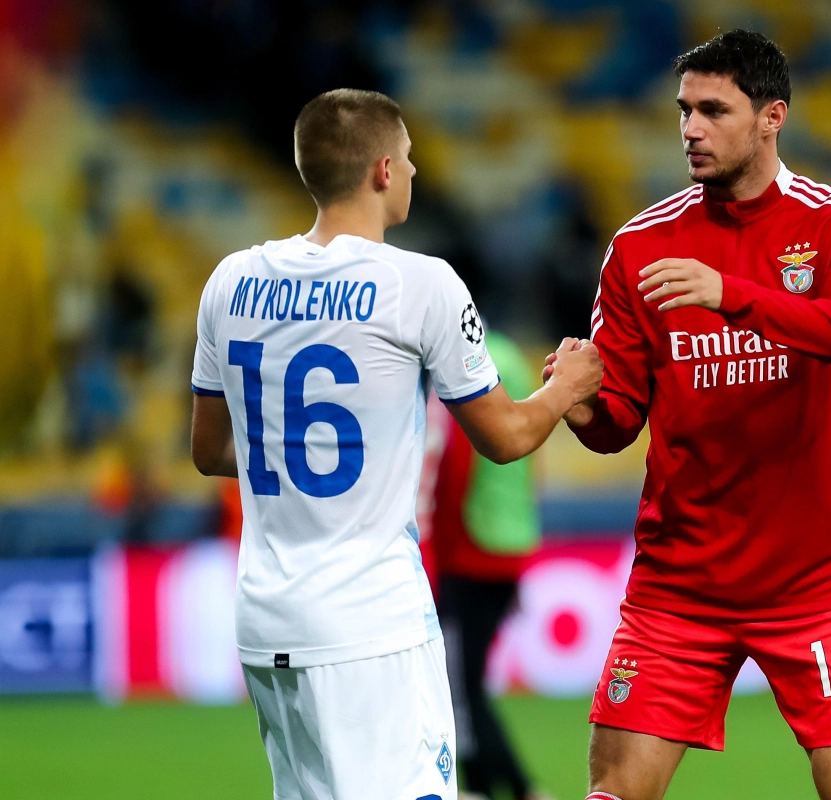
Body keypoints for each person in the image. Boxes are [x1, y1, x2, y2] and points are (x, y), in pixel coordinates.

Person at [189, 88, 602, 800]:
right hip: (369, 626)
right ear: (383, 170)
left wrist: (306, 459)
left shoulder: (230, 282)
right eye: (409, 159)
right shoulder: (421, 284)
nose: (413, 173)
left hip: (265, 619)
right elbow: (505, 437)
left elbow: (209, 450)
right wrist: (567, 384)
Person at [543, 30, 831, 800]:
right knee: (613, 792)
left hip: (811, 580)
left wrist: (730, 294)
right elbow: (618, 423)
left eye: (713, 110)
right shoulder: (639, 245)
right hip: (679, 583)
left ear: (773, 117)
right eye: (683, 110)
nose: (691, 129)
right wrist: (577, 399)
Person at [431, 328, 552, 800]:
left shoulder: (461, 363)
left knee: (457, 686)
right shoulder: (511, 357)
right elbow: (529, 454)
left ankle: (503, 788)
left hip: (468, 548)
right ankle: (510, 788)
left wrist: (436, 554)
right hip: (509, 541)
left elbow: (459, 462)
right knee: (466, 682)